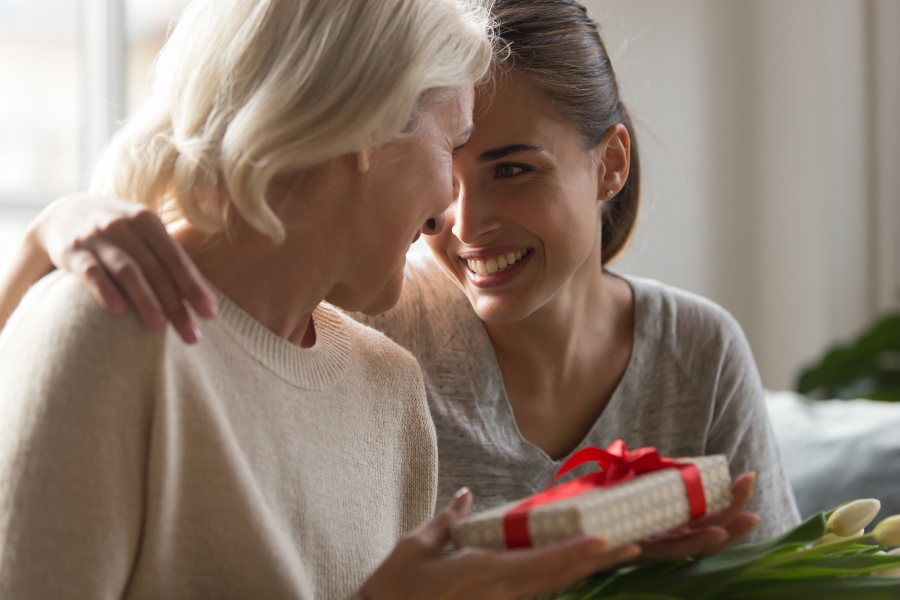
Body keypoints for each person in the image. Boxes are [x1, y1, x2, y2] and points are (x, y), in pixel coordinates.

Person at [2, 0, 793, 578]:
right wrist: (48, 237)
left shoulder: (383, 386)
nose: (455, 214)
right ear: (364, 136)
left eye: (508, 167)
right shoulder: (118, 330)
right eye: (451, 146)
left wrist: (587, 550)